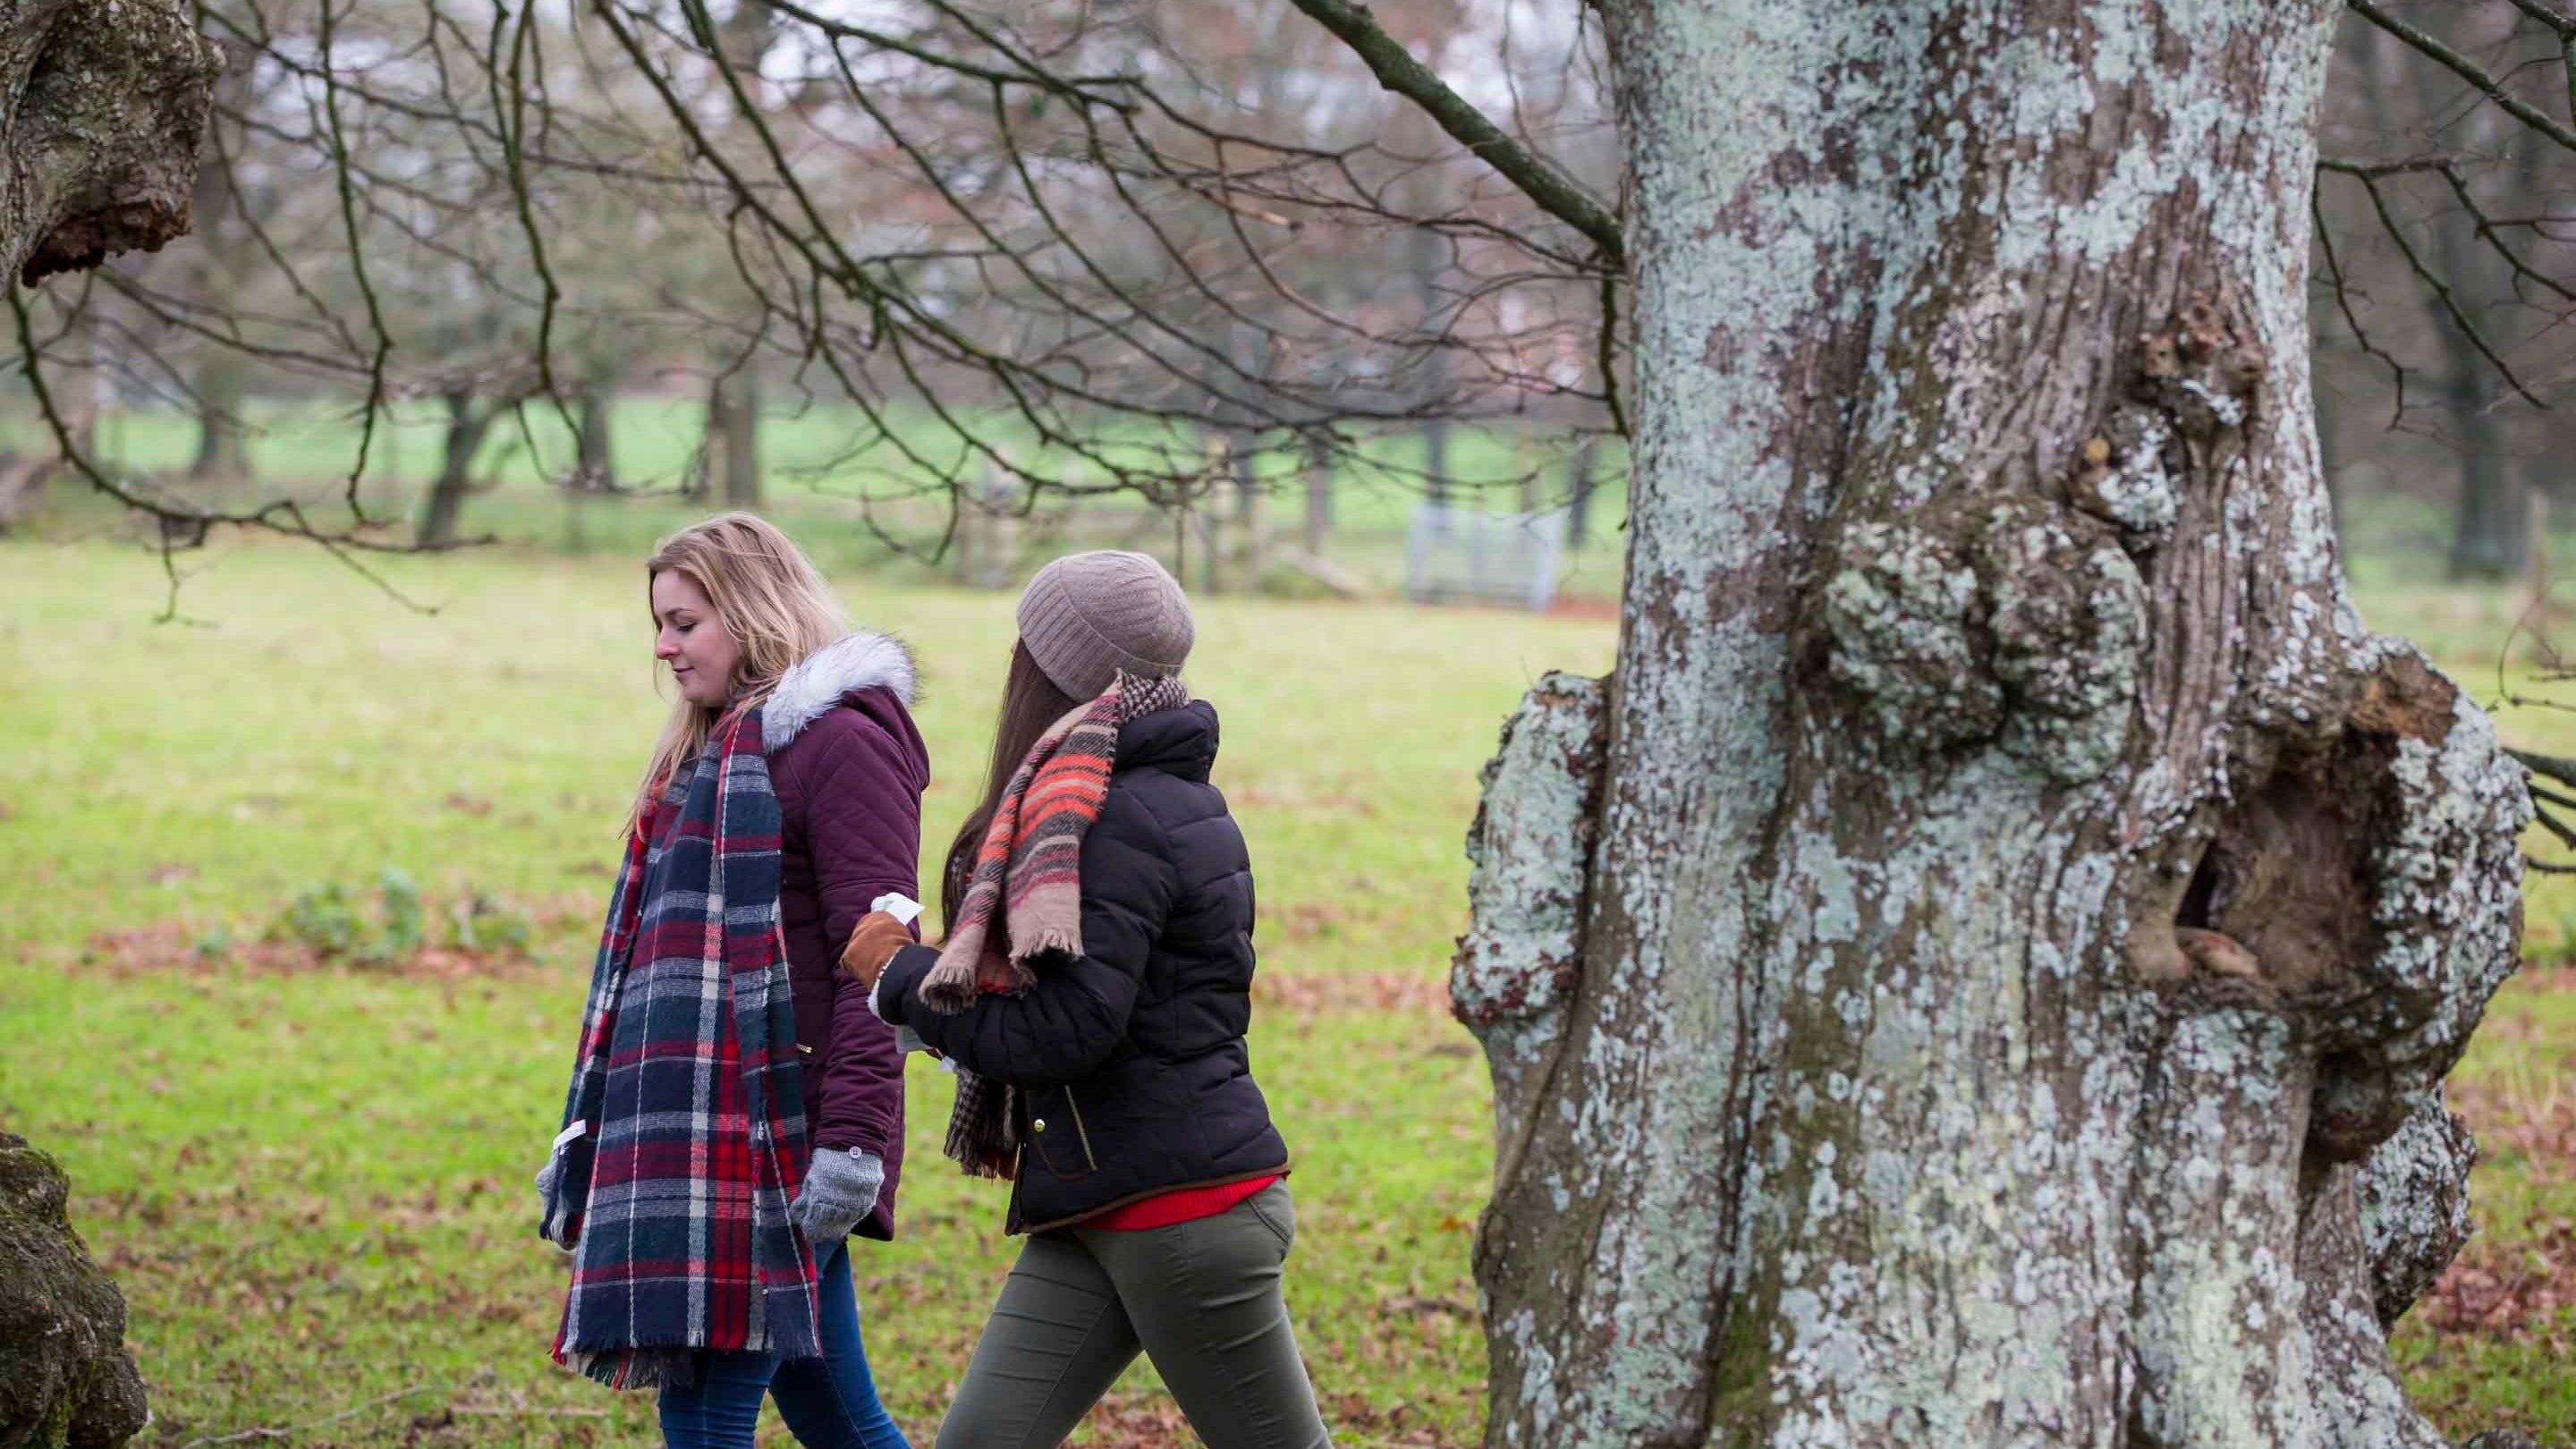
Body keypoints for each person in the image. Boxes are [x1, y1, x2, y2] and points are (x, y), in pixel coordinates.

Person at [850, 550, 1330, 1449]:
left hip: (1183, 1218)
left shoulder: (1111, 820)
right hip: (1098, 1195)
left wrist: (900, 978)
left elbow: (1063, 1032)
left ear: (1051, 670)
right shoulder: (1141, 800)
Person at [535, 513, 928, 1449]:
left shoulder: (840, 745)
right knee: (832, 1410)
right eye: (660, 624)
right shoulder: (706, 757)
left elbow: (883, 953)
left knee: (707, 1407)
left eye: (683, 623)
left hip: (779, 1132)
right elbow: (641, 971)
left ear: (750, 614)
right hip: (706, 1132)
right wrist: (590, 1123)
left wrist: (853, 1146)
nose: (662, 647)